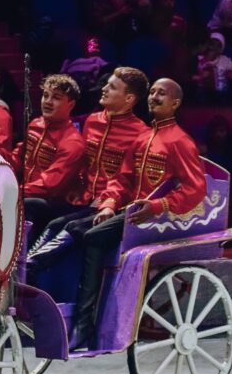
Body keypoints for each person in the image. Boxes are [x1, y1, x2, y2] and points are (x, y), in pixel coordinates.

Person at [67, 78, 207, 350]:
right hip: (130, 212)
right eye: (152, 92)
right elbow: (122, 179)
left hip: (153, 217)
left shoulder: (180, 141)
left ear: (175, 103)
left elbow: (196, 188)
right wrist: (109, 203)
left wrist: (159, 206)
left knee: (93, 238)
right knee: (74, 227)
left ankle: (85, 324)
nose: (154, 97)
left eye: (161, 94)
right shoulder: (143, 138)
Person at [27, 67, 150, 276]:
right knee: (45, 214)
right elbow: (84, 164)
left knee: (69, 225)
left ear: (129, 99)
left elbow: (127, 179)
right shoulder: (93, 121)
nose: (104, 89)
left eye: (111, 87)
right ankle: (26, 265)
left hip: (111, 207)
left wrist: (108, 202)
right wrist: (77, 187)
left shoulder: (141, 134)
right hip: (84, 201)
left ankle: (27, 267)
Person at [12, 74, 86, 247]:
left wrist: (16, 191)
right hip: (25, 193)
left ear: (71, 105)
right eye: (46, 95)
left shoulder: (72, 142)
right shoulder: (35, 124)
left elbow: (50, 185)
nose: (48, 101)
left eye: (56, 98)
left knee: (29, 203)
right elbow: (17, 157)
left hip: (51, 204)